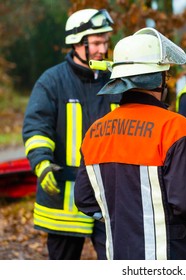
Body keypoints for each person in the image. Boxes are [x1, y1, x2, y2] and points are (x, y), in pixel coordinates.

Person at [73, 27, 186, 260]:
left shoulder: (95, 132)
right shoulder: (178, 129)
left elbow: (85, 200)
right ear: (160, 79)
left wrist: (127, 217)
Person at [22, 9, 121, 260]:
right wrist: (42, 163)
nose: (103, 49)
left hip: (110, 197)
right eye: (97, 43)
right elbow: (36, 127)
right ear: (77, 43)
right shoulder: (52, 81)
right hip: (64, 203)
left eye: (105, 42)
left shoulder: (116, 82)